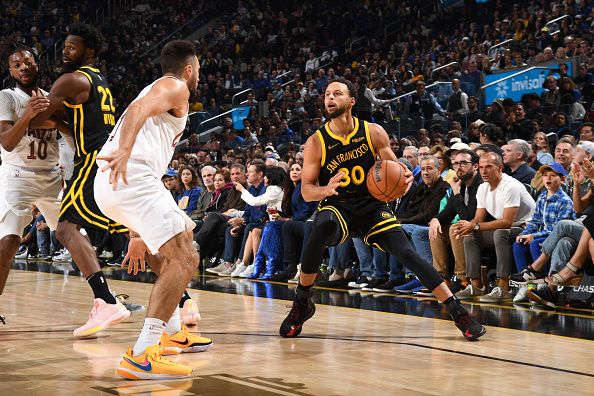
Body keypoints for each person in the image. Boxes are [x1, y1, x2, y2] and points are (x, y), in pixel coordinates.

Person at [279, 78, 485, 341]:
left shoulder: (373, 132)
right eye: (327, 94)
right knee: (320, 227)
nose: (330, 98)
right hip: (337, 205)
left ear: (351, 101)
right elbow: (307, 190)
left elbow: (396, 171)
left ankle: (457, 311)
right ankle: (302, 302)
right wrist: (326, 189)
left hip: (372, 206)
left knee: (406, 251)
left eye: (337, 93)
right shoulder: (316, 142)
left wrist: (406, 178)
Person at [94, 40, 212, 380]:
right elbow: (135, 112)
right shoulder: (174, 86)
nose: (199, 75)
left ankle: (173, 330)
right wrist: (125, 151)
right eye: (199, 70)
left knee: (176, 245)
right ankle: (143, 353)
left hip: (120, 183)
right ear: (189, 69)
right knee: (186, 258)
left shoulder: (161, 88)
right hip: (128, 175)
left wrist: (136, 233)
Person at [28, 24, 130, 337]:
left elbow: (34, 121)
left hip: (91, 161)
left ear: (89, 51)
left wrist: (38, 106)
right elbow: (68, 122)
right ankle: (182, 302)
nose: (65, 51)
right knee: (132, 229)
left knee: (66, 228)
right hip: (110, 157)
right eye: (65, 46)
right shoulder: (100, 81)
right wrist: (61, 119)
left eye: (72, 47)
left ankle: (105, 300)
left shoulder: (70, 79)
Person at [0, 43, 68, 302]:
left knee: (74, 234)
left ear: (37, 64)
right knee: (8, 242)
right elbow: (6, 141)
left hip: (50, 176)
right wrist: (28, 115)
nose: (23, 68)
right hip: (18, 175)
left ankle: (106, 299)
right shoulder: (7, 96)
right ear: (10, 70)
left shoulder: (51, 97)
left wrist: (57, 120)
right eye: (16, 65)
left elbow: (65, 133)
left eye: (27, 62)